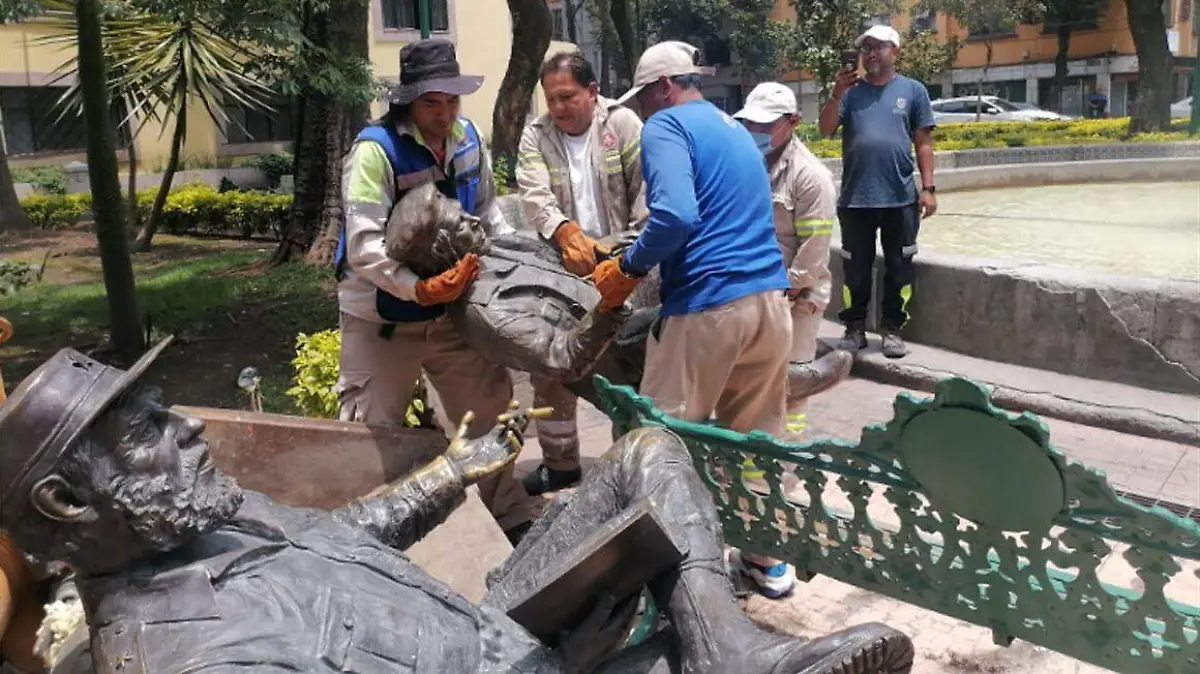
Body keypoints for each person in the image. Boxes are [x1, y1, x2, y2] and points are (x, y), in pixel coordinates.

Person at [0, 343, 916, 674]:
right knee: (671, 629)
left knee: (643, 454)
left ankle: (735, 654)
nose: (189, 430)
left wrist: (455, 471)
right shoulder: (186, 660)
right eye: (149, 431)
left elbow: (345, 533)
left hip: (494, 622)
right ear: (67, 500)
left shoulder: (200, 524)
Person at [591, 41, 799, 599]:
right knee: (754, 445)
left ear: (664, 88)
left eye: (647, 100)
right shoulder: (735, 130)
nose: (646, 114)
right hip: (770, 307)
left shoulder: (667, 128)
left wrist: (628, 268)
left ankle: (658, 583)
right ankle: (766, 563)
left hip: (711, 307)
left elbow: (678, 215)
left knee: (657, 440)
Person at [333, 38, 540, 543]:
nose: (445, 112)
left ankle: (509, 517)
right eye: (432, 102)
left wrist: (507, 267)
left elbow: (490, 212)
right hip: (381, 320)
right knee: (372, 431)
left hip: (451, 315)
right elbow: (363, 247)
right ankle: (364, 542)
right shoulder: (373, 153)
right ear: (408, 100)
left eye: (452, 101)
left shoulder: (470, 139)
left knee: (488, 410)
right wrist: (417, 289)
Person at [516, 50, 648, 497]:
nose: (557, 107)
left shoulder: (624, 126)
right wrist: (564, 231)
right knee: (551, 370)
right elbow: (534, 195)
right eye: (551, 98)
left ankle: (628, 471)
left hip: (626, 269)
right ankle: (561, 466)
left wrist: (618, 258)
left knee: (629, 371)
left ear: (593, 92)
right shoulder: (536, 135)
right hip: (561, 274)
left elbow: (648, 203)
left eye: (567, 96)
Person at [734, 82, 853, 438]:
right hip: (755, 291)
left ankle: (790, 457)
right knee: (752, 379)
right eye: (750, 124)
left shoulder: (810, 177)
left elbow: (814, 250)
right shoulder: (746, 164)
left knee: (794, 380)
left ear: (793, 121)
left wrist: (785, 293)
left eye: (765, 125)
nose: (756, 132)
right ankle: (755, 455)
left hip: (797, 297)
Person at [818, 25, 937, 359]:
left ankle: (893, 330)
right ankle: (854, 328)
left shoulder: (913, 91)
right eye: (866, 48)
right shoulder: (850, 94)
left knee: (900, 268)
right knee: (854, 269)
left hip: (901, 197)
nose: (871, 53)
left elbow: (924, 142)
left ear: (895, 51)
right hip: (856, 199)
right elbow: (826, 129)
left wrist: (928, 189)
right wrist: (836, 93)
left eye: (879, 47)